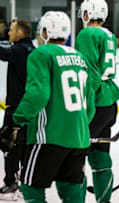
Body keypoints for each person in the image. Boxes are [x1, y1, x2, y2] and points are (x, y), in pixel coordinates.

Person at [11, 11, 95, 202]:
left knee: (30, 186)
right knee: (71, 190)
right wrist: (77, 126)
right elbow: (89, 104)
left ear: (46, 32)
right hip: (79, 139)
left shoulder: (41, 54)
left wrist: (16, 122)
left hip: (48, 137)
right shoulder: (81, 58)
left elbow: (38, 94)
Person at [76, 0, 119, 202]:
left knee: (75, 156)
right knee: (101, 155)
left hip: (94, 101)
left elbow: (88, 73)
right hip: (109, 102)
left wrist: (84, 104)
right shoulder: (109, 34)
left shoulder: (86, 34)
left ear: (88, 13)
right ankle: (104, 199)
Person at [0, 19, 34, 201]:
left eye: (11, 30)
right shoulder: (33, 51)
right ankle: (25, 183)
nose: (9, 33)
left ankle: (12, 183)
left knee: (9, 146)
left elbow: (2, 53)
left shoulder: (18, 50)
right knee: (26, 148)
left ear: (20, 33)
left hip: (16, 110)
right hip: (31, 108)